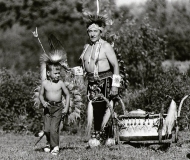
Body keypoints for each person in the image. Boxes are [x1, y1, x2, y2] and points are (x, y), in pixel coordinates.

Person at [80, 14, 121, 146]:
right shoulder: (86, 47)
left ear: (101, 31)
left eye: (95, 31)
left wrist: (115, 86)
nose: (92, 34)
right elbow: (85, 66)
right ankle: (99, 134)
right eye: (90, 31)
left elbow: (116, 65)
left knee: (103, 108)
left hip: (106, 80)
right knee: (94, 108)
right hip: (91, 82)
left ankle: (105, 135)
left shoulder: (106, 46)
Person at [39, 62, 70, 155]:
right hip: (48, 108)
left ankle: (55, 146)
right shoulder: (44, 83)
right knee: (46, 129)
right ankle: (49, 143)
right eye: (55, 73)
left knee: (53, 129)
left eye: (58, 73)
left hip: (58, 108)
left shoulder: (60, 83)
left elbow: (67, 94)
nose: (58, 75)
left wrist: (66, 108)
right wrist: (43, 102)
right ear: (48, 73)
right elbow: (41, 95)